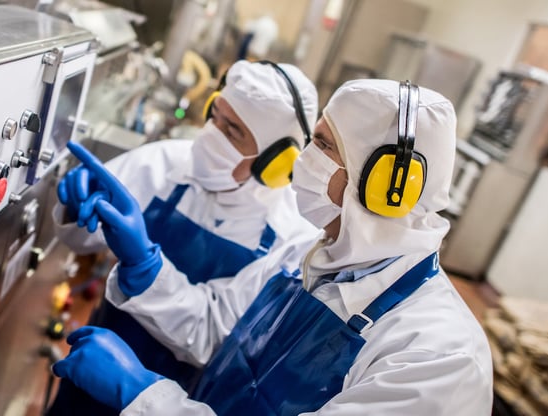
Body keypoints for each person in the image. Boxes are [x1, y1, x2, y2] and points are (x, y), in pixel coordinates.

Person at [52, 79, 494, 415]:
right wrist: (143, 262)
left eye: (323, 146)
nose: (304, 160)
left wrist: (142, 396)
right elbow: (212, 327)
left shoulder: (439, 356)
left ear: (387, 186)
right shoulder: (305, 258)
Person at [48, 60, 320, 414]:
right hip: (95, 362)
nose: (211, 133)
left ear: (276, 162)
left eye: (233, 130)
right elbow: (81, 240)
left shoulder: (291, 239)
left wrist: (145, 265)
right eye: (215, 115)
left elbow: (215, 337)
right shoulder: (166, 161)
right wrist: (74, 207)